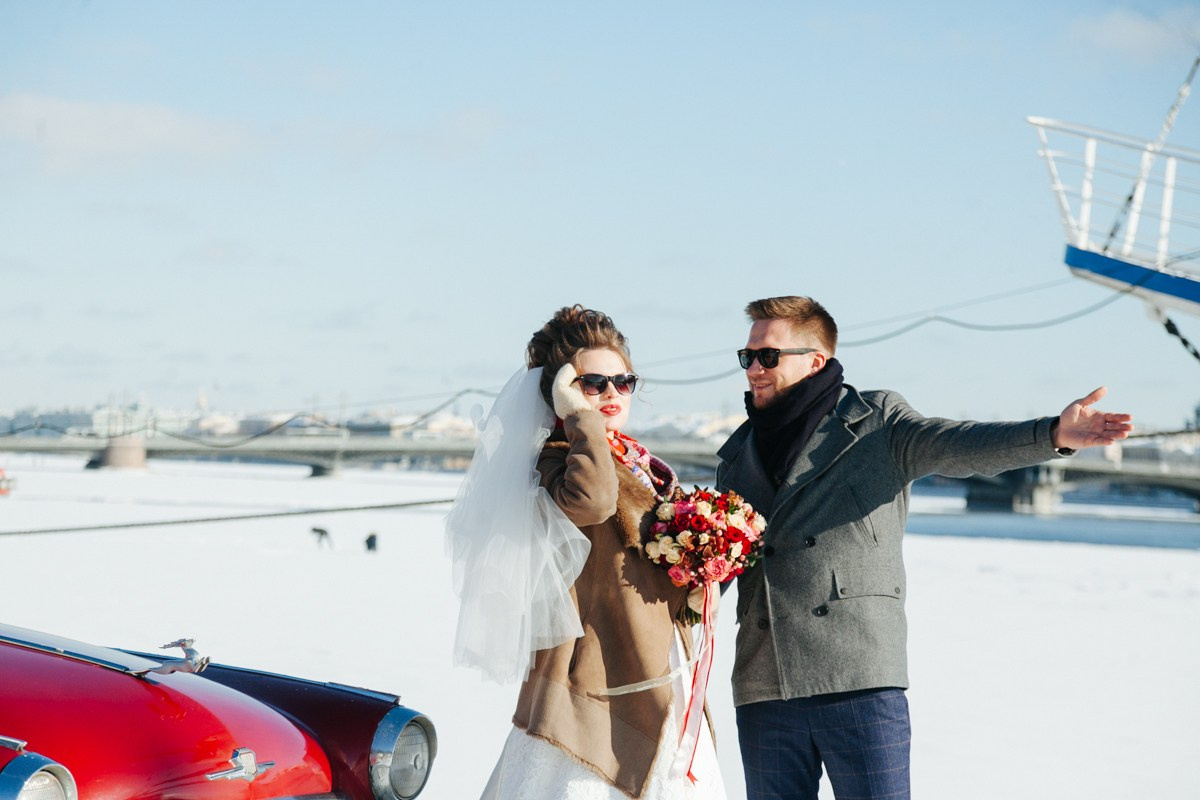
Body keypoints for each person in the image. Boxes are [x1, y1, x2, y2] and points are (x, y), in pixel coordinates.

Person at [715, 295, 1133, 800]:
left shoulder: (876, 422)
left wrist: (1051, 434)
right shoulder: (737, 455)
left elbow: (959, 444)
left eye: (768, 357)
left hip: (857, 676)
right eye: (747, 358)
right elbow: (714, 566)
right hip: (765, 682)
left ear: (815, 361)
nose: (754, 370)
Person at [446, 305, 726, 800]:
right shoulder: (556, 463)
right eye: (593, 384)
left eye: (624, 382)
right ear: (562, 393)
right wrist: (579, 418)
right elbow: (593, 501)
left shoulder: (639, 464)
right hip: (594, 694)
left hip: (662, 679)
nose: (612, 394)